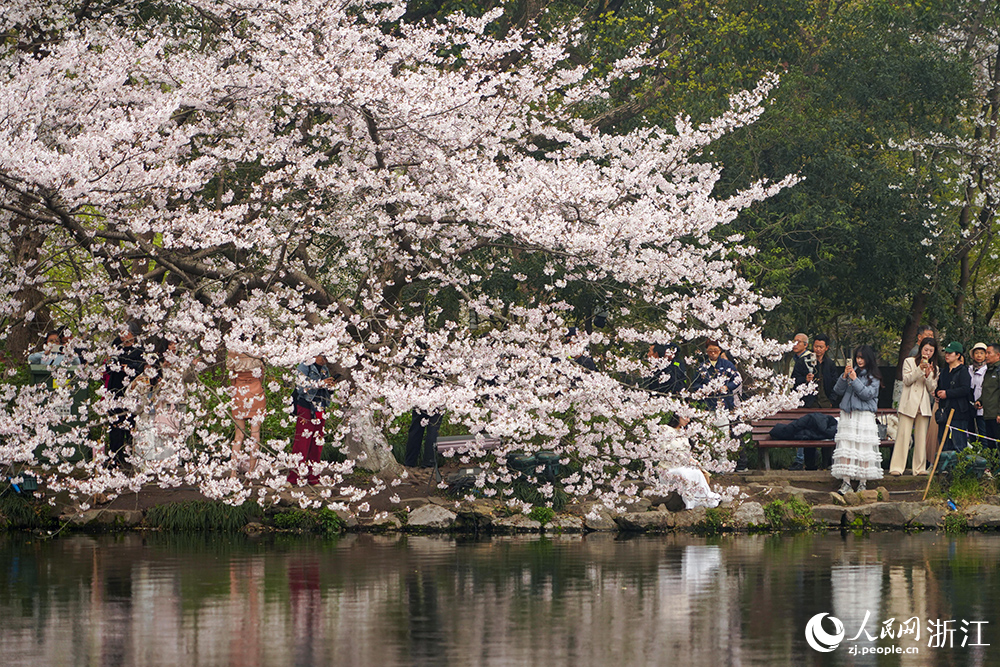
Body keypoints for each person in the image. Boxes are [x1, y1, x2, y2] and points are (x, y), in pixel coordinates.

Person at [831, 345, 883, 495]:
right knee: (846, 447)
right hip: (848, 413)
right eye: (858, 357)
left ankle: (862, 483)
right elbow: (838, 390)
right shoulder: (851, 371)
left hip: (864, 415)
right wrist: (844, 376)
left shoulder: (874, 376)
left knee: (863, 448)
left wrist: (854, 380)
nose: (859, 361)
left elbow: (867, 394)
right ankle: (846, 482)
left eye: (862, 358)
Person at [889, 338, 938, 476]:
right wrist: (919, 369)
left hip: (923, 405)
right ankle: (897, 467)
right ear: (921, 349)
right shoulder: (909, 361)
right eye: (926, 349)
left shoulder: (934, 367)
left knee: (921, 438)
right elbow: (907, 380)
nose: (927, 353)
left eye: (931, 351)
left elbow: (932, 388)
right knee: (903, 436)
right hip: (908, 404)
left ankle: (919, 468)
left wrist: (928, 375)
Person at [288, 354, 340, 485]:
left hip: (320, 407)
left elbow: (326, 391)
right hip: (306, 406)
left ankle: (314, 477)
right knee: (302, 442)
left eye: (327, 358)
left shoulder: (324, 369)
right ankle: (294, 477)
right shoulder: (304, 366)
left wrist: (330, 386)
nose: (325, 360)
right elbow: (301, 388)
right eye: (323, 357)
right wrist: (320, 383)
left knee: (317, 443)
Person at [103, 326, 146, 469]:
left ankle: (132, 457)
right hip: (115, 389)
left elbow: (141, 367)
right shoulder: (116, 345)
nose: (123, 335)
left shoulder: (139, 349)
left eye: (126, 332)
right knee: (115, 424)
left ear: (132, 334)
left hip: (132, 390)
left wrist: (128, 366)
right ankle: (115, 458)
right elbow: (108, 366)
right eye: (121, 332)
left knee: (132, 424)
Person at [803, 334, 840, 470]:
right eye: (816, 346)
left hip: (826, 404)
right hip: (810, 404)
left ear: (826, 348)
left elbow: (836, 384)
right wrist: (805, 380)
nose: (818, 349)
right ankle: (810, 465)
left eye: (821, 347)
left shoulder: (830, 364)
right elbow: (795, 380)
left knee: (827, 433)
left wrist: (831, 401)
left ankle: (827, 464)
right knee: (809, 433)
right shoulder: (804, 362)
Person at [227, 349, 266, 472]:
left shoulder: (233, 352)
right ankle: (251, 472)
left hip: (239, 392)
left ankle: (233, 473)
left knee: (238, 435)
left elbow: (231, 377)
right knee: (255, 434)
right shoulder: (258, 350)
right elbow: (261, 375)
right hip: (256, 392)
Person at [936, 342, 972, 452]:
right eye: (946, 353)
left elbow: (965, 389)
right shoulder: (944, 371)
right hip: (944, 411)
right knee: (943, 442)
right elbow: (939, 387)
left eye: (950, 353)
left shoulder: (963, 371)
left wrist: (947, 393)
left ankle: (961, 463)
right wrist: (937, 393)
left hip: (959, 412)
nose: (947, 355)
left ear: (958, 355)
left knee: (959, 443)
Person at [690, 341, 741, 412]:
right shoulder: (702, 367)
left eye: (715, 350)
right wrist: (705, 389)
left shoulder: (727, 364)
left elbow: (737, 379)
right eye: (710, 351)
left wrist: (727, 387)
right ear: (707, 352)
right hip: (708, 403)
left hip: (725, 401)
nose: (713, 353)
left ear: (720, 351)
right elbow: (695, 384)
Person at [789, 333, 815, 470]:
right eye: (794, 341)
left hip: (807, 401)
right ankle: (799, 459)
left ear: (806, 345)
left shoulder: (809, 359)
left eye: (798, 341)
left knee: (804, 428)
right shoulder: (794, 359)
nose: (795, 344)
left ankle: (800, 459)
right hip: (795, 398)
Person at [980, 343, 1000, 450]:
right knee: (990, 446)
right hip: (987, 414)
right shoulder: (989, 370)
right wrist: (980, 401)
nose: (986, 356)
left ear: (998, 355)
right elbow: (987, 390)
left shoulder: (998, 370)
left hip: (996, 415)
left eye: (989, 353)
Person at [969, 342, 988, 440]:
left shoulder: (988, 370)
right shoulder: (969, 369)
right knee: (971, 433)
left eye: (981, 353)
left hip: (983, 407)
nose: (979, 355)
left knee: (983, 433)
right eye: (976, 353)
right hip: (970, 405)